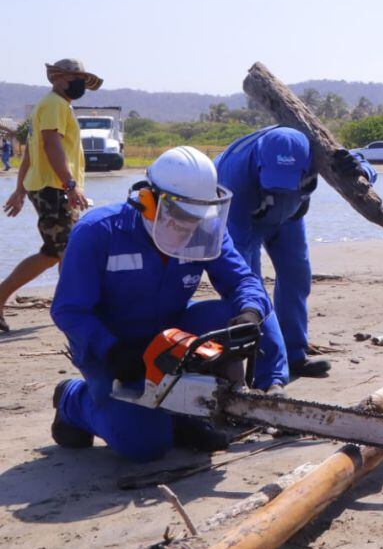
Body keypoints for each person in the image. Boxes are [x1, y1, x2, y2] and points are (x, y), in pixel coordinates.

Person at [49, 146, 277, 462]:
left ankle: (184, 413)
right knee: (145, 445)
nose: (188, 228)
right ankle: (73, 399)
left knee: (228, 315)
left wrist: (250, 312)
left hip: (169, 336)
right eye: (180, 217)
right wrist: (111, 349)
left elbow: (242, 280)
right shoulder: (99, 232)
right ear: (147, 200)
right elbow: (69, 309)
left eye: (195, 218)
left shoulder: (203, 231)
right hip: (113, 349)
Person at [215, 126, 376, 380]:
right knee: (252, 290)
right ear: (259, 163)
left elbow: (363, 167)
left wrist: (358, 170)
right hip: (245, 221)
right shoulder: (233, 175)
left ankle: (294, 356)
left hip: (290, 218)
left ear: (306, 163)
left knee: (297, 278)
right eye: (273, 180)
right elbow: (241, 273)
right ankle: (266, 366)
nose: (279, 188)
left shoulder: (317, 151)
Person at [0, 59, 100, 333]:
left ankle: (2, 296)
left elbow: (33, 151)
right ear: (58, 78)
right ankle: (72, 310)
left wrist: (21, 188)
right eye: (75, 78)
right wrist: (70, 184)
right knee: (69, 249)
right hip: (53, 188)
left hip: (47, 186)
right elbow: (50, 144)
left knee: (53, 252)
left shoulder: (52, 105)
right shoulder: (54, 105)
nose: (80, 84)